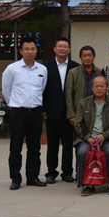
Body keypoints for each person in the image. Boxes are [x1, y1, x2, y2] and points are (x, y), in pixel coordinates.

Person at [2, 37, 48, 190]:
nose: (30, 52)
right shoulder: (12, 69)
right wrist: (13, 105)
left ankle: (32, 177)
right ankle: (15, 178)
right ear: (21, 51)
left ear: (36, 50)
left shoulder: (42, 69)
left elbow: (42, 89)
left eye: (33, 49)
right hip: (18, 113)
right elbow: (6, 90)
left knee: (34, 148)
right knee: (15, 148)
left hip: (36, 113)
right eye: (27, 49)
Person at [74, 76, 109, 196]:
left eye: (102, 86)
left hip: (107, 139)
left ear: (107, 87)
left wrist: (104, 135)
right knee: (82, 152)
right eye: (96, 86)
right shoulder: (83, 103)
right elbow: (78, 123)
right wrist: (88, 137)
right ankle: (88, 184)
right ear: (92, 88)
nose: (99, 88)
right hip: (88, 139)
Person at [42, 37, 79, 184]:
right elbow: (42, 89)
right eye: (60, 46)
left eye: (65, 46)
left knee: (68, 145)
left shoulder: (76, 67)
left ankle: (67, 172)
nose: (62, 49)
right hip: (51, 112)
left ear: (69, 50)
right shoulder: (45, 67)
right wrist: (43, 109)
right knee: (52, 145)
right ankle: (51, 173)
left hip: (70, 113)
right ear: (54, 49)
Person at [65, 46, 101, 126]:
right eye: (84, 56)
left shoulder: (99, 72)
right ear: (80, 57)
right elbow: (69, 95)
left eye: (89, 55)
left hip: (96, 112)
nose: (87, 58)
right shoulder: (73, 73)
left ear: (94, 56)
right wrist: (71, 115)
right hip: (79, 113)